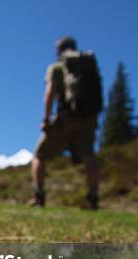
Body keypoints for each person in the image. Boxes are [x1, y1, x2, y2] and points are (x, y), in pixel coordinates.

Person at [30, 36, 103, 209]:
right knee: (89, 157)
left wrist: (46, 120)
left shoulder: (56, 68)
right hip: (88, 119)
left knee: (39, 156)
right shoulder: (87, 67)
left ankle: (38, 195)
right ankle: (93, 197)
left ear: (58, 50)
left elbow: (49, 94)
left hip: (66, 118)